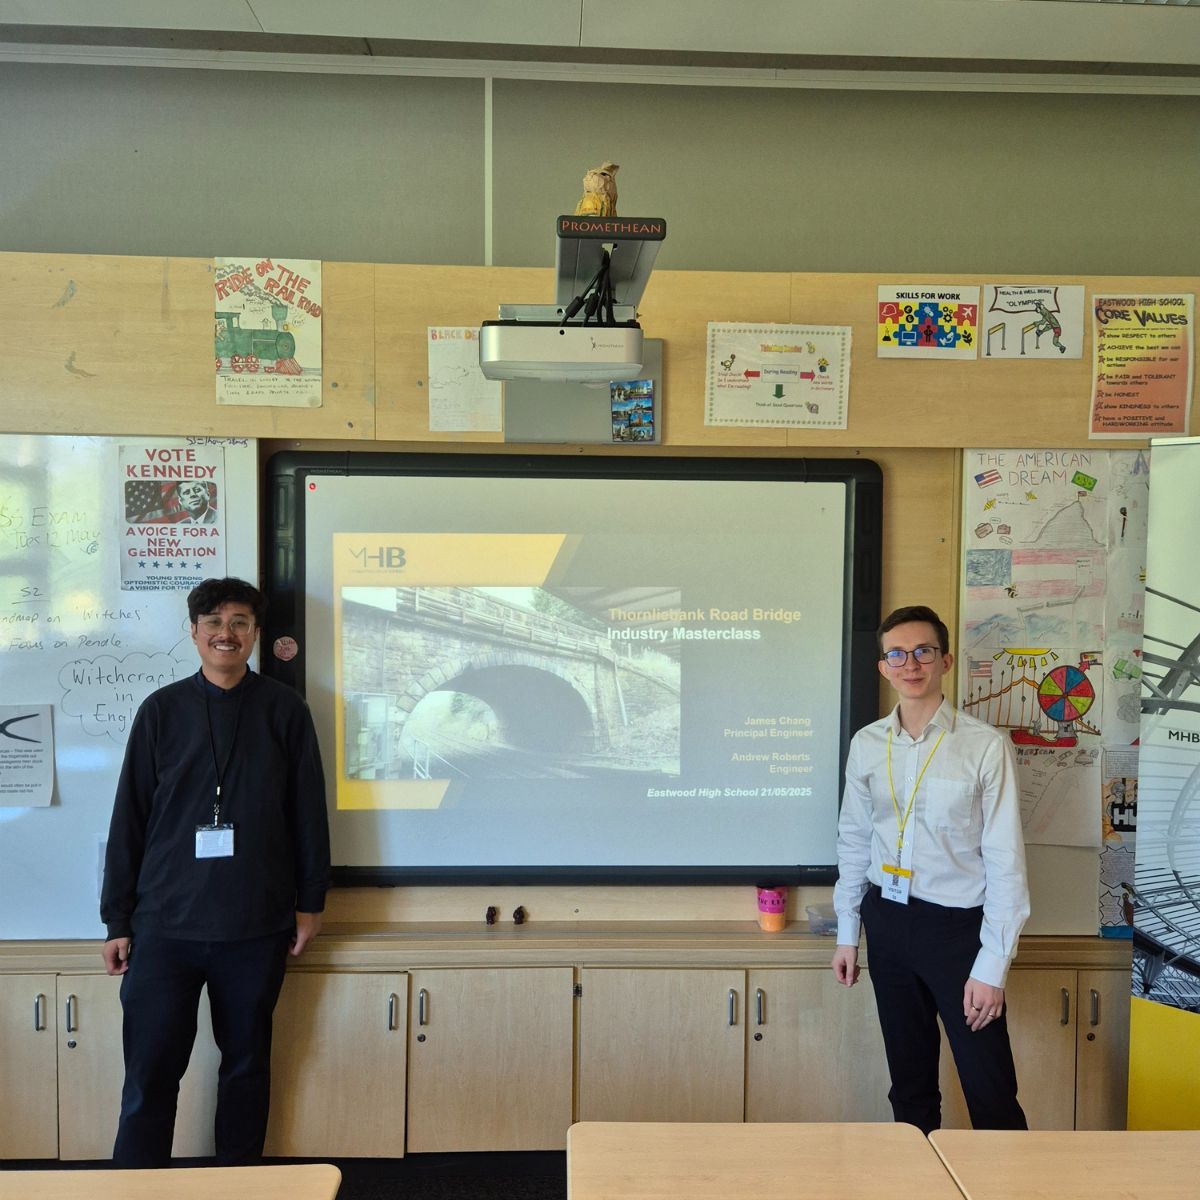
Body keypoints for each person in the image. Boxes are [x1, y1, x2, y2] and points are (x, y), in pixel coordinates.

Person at [100, 576, 330, 1167]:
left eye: (239, 623)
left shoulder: (285, 710)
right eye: (214, 623)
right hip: (164, 927)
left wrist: (311, 902)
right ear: (194, 631)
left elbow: (308, 812)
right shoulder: (161, 711)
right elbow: (129, 818)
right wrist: (117, 919)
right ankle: (137, 1187)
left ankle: (237, 1182)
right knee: (149, 1073)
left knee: (247, 1069)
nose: (226, 634)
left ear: (255, 633)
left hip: (256, 925)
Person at [831, 604, 1029, 1134]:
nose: (911, 663)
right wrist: (848, 933)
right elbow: (854, 840)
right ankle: (915, 1175)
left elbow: (1006, 861)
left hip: (958, 932)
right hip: (887, 922)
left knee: (990, 1088)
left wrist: (991, 967)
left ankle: (1008, 1178)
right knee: (910, 1084)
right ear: (883, 668)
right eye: (897, 654)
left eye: (923, 651)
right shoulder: (867, 744)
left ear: (945, 660)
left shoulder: (984, 747)